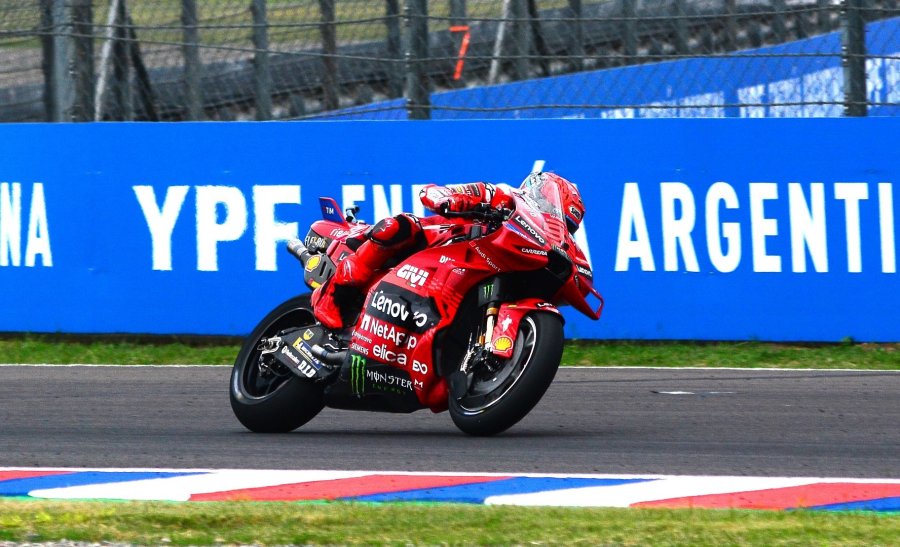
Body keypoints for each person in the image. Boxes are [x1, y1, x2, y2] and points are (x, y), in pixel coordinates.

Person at [311, 172, 585, 329]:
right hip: (439, 241)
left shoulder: (553, 242)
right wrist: (446, 199)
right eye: (555, 209)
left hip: (476, 272)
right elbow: (450, 192)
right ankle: (335, 292)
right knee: (401, 226)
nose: (557, 223)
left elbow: (582, 273)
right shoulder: (504, 197)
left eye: (568, 224)